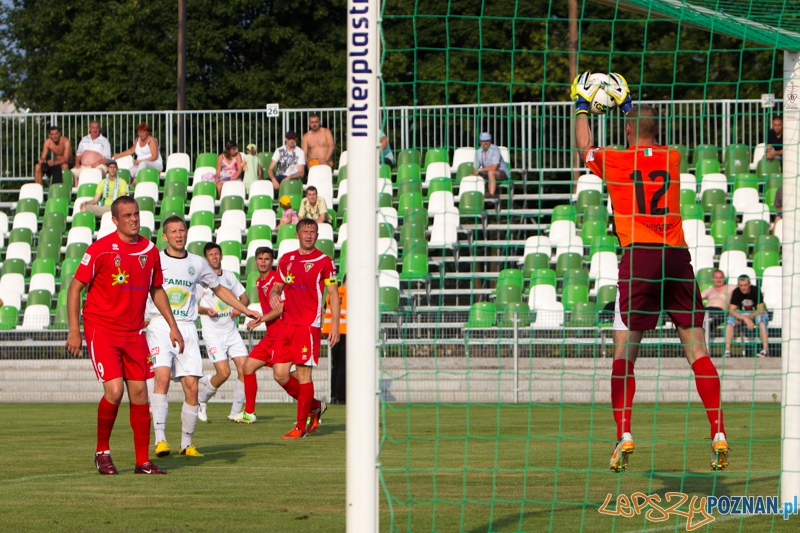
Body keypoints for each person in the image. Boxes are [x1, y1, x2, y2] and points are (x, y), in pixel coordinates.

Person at [572, 71, 728, 472]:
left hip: (639, 257)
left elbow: (584, 147)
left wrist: (582, 105)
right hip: (676, 256)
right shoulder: (672, 157)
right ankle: (718, 431)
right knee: (697, 350)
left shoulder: (616, 160)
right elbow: (644, 133)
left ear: (625, 128)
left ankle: (624, 432)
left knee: (625, 352)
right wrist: (628, 107)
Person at [65, 196, 183, 475]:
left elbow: (157, 290)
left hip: (133, 332)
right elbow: (74, 289)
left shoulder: (150, 250)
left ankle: (142, 461)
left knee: (141, 393)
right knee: (115, 391)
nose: (134, 219)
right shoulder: (100, 250)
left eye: (136, 214)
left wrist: (172, 325)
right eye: (127, 215)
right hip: (102, 329)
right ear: (115, 220)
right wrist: (74, 330)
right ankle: (102, 452)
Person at [146, 216, 259, 459]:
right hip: (160, 325)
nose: (179, 235)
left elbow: (219, 289)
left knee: (193, 387)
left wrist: (246, 308)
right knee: (162, 378)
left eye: (182, 230)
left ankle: (186, 444)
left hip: (186, 327)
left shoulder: (198, 263)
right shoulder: (155, 259)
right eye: (173, 231)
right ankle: (160, 440)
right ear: (164, 236)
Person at [269, 218, 340, 438]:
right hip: (287, 323)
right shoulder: (287, 260)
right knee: (280, 374)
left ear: (317, 235)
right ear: (297, 234)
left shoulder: (325, 261)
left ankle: (301, 426)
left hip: (308, 325)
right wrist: (273, 293)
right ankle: (315, 405)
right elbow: (278, 285)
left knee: (303, 374)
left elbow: (334, 295)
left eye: (313, 231)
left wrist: (334, 325)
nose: (308, 235)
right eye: (305, 231)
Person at [195, 242, 251, 422]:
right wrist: (206, 310)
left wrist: (240, 308)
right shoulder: (201, 282)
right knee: (224, 373)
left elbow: (244, 297)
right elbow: (192, 307)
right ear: (206, 259)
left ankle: (235, 413)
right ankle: (201, 401)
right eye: (211, 254)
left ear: (221, 256)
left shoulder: (229, 277)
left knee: (245, 370)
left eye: (217, 254)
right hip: (213, 335)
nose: (214, 257)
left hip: (232, 332)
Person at [725, 274, 770, 358]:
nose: (743, 288)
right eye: (741, 285)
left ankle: (765, 350)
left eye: (745, 285)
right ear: (738, 285)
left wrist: (747, 318)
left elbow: (760, 310)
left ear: (749, 284)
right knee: (730, 320)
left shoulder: (756, 290)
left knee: (762, 319)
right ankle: (727, 351)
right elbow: (731, 310)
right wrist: (744, 319)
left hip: (756, 312)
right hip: (743, 314)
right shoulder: (736, 292)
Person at [323, 276, 347, 405]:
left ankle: (334, 395)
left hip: (331, 331)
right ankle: (342, 396)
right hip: (344, 331)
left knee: (336, 365)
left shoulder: (331, 294)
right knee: (344, 365)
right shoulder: (349, 294)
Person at [472, 132, 508, 198]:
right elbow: (475, 169)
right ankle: (475, 197)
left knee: (491, 173)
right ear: (480, 142)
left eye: (487, 141)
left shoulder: (495, 149)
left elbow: (494, 167)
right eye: (483, 141)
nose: (485, 143)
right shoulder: (478, 152)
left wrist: (480, 170)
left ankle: (491, 194)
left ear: (490, 141)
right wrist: (477, 175)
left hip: (501, 172)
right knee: (473, 176)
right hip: (486, 174)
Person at [701, 269, 733, 334]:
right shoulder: (709, 290)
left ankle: (705, 333)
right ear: (712, 279)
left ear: (724, 279)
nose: (718, 280)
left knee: (719, 317)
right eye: (716, 278)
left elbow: (743, 289)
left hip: (721, 312)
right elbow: (696, 298)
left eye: (720, 278)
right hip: (706, 310)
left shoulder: (730, 287)